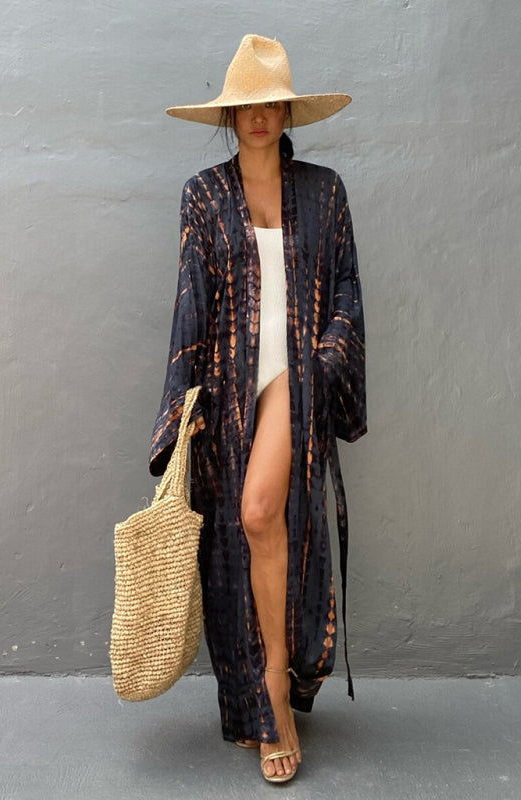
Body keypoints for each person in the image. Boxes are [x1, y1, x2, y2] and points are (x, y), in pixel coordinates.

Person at [149, 34, 367, 784]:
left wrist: (325, 364)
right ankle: (255, 696)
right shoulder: (203, 195)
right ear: (229, 115)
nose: (259, 116)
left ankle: (274, 688)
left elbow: (346, 289)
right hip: (228, 386)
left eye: (271, 103)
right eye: (245, 105)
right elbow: (191, 301)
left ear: (287, 110)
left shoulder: (324, 192)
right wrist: (182, 407)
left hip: (296, 379)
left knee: (260, 512)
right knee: (242, 536)